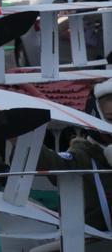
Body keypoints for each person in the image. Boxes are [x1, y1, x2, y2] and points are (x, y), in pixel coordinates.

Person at [35, 82, 112, 231]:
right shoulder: (82, 155)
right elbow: (50, 162)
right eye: (111, 118)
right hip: (92, 240)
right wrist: (18, 131)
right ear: (94, 116)